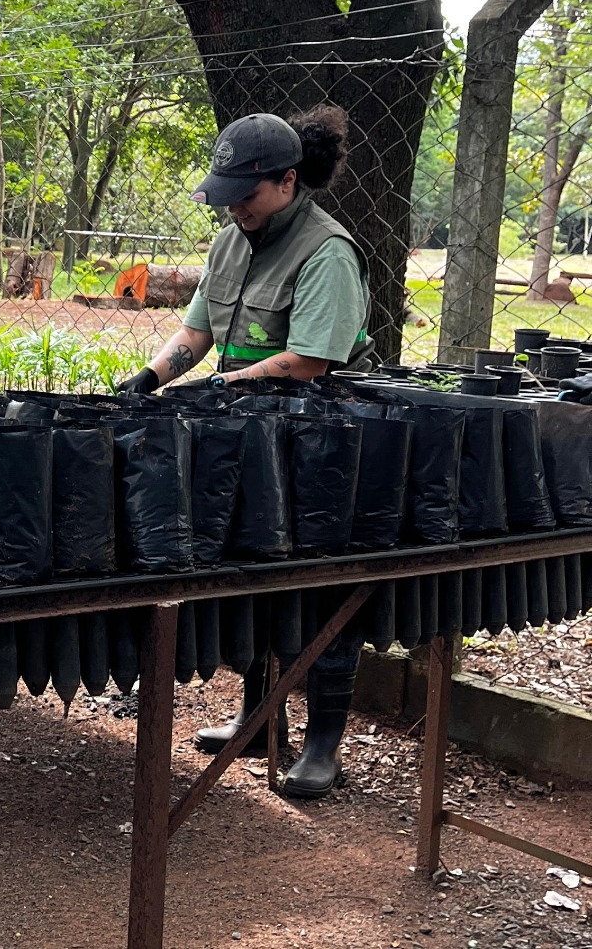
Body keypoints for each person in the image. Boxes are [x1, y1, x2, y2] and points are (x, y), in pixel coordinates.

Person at [117, 105, 370, 798]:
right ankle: (259, 720)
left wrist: (224, 385)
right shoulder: (232, 240)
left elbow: (313, 359)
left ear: (288, 182)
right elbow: (196, 334)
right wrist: (150, 377)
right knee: (246, 568)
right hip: (240, 434)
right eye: (226, 198)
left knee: (317, 587)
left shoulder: (328, 251)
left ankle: (323, 746)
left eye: (246, 196)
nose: (235, 210)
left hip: (311, 441)